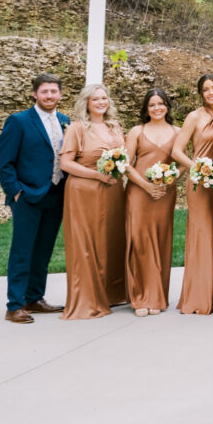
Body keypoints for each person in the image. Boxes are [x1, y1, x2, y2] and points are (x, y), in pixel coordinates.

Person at [0, 74, 71, 323]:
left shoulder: (65, 121)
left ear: (60, 94)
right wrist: (16, 192)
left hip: (56, 194)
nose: (49, 96)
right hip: (27, 196)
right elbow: (4, 162)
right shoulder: (18, 121)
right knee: (22, 251)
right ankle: (14, 305)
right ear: (35, 94)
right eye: (44, 92)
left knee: (43, 251)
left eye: (53, 91)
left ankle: (34, 298)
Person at [56, 84, 126, 320]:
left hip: (113, 191)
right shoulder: (77, 128)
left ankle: (110, 293)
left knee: (110, 240)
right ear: (86, 102)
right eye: (95, 99)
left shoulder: (114, 126)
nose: (101, 102)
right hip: (85, 191)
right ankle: (88, 298)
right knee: (88, 243)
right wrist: (97, 175)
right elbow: (66, 164)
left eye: (104, 98)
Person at [170, 74, 213, 315]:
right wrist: (198, 168)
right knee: (203, 235)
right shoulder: (194, 117)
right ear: (201, 93)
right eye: (206, 89)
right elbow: (177, 151)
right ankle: (199, 297)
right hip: (200, 184)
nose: (211, 92)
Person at [123, 89, 179, 316]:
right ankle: (140, 297)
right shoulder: (137, 131)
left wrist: (170, 180)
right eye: (152, 105)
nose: (157, 108)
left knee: (161, 241)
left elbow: (183, 163)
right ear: (146, 108)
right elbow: (126, 164)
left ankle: (156, 296)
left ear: (167, 106)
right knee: (140, 241)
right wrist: (146, 186)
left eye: (161, 103)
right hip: (139, 192)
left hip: (164, 193)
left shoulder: (178, 132)